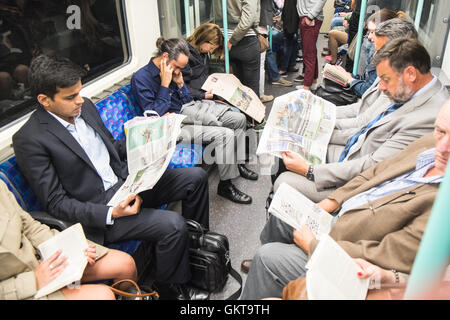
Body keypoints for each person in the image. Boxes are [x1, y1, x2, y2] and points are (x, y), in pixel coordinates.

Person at [12, 54, 210, 300]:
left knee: (195, 178)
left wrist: (154, 137)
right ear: (45, 100)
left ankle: (196, 250)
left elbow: (113, 149)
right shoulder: (30, 139)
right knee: (172, 225)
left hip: (126, 183)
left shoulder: (86, 108)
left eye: (80, 93)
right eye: (70, 97)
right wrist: (111, 213)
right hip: (99, 210)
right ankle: (171, 289)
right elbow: (56, 203)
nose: (79, 101)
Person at [240, 97, 450, 299]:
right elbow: (375, 173)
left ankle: (273, 268)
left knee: (267, 258)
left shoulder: (442, 207)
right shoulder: (428, 143)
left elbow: (387, 255)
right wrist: (331, 202)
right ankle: (271, 278)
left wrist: (313, 246)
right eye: (441, 132)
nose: (442, 147)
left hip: (349, 246)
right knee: (283, 211)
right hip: (344, 212)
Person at [271, 37, 450, 203]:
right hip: (354, 153)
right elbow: (365, 130)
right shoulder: (408, 90)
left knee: (284, 182)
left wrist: (310, 171)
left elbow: (372, 167)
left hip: (359, 185)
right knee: (291, 147)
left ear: (411, 73)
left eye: (385, 80)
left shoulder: (430, 116)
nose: (381, 87)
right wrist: (318, 130)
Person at [131, 37, 258, 205]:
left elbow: (186, 101)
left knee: (239, 119)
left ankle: (238, 162)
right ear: (164, 57)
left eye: (180, 69)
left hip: (187, 111)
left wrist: (181, 84)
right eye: (176, 67)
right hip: (169, 126)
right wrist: (164, 84)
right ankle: (226, 185)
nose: (177, 71)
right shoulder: (141, 79)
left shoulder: (175, 72)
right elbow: (154, 116)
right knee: (224, 135)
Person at [0, 179, 137, 300]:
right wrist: (34, 280)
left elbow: (30, 227)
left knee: (125, 265)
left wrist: (70, 248)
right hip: (20, 287)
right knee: (104, 295)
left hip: (41, 259)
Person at [295, 0, 327, 90]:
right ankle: (312, 81)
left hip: (311, 17)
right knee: (311, 51)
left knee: (308, 53)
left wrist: (310, 16)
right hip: (308, 16)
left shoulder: (310, 17)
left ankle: (306, 87)